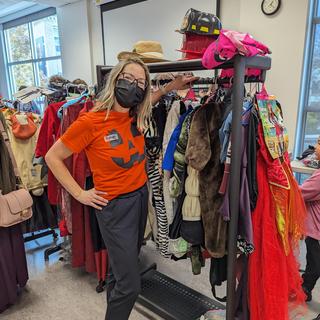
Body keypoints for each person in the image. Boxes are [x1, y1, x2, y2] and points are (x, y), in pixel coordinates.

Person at [45, 57, 197, 320]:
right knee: (130, 285)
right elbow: (52, 157)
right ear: (115, 79)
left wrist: (172, 85)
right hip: (114, 207)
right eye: (129, 78)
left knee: (118, 272)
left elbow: (152, 98)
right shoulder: (90, 121)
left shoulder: (135, 113)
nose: (134, 86)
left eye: (140, 82)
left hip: (139, 197)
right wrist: (79, 193)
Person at [300, 147, 320, 304]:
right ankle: (306, 288)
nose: (316, 147)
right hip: (315, 230)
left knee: (315, 264)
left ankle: (305, 288)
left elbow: (300, 192)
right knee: (313, 262)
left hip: (316, 230)